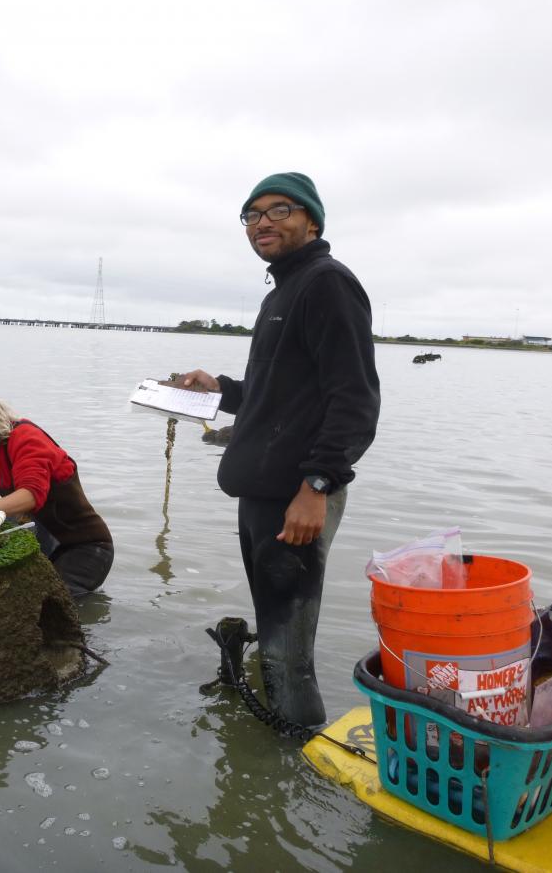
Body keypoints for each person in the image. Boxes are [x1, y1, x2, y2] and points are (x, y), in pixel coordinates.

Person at [182, 172, 380, 728]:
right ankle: (273, 773)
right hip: (263, 495)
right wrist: (220, 389)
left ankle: (298, 751)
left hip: (296, 497)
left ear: (311, 221)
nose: (263, 222)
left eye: (279, 210)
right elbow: (279, 398)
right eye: (252, 214)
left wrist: (316, 485)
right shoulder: (284, 291)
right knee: (271, 632)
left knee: (288, 649)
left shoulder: (327, 284)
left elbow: (355, 400)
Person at [0, 374, 113, 597]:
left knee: (51, 607)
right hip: (45, 540)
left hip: (88, 546)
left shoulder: (24, 436)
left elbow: (30, 495)